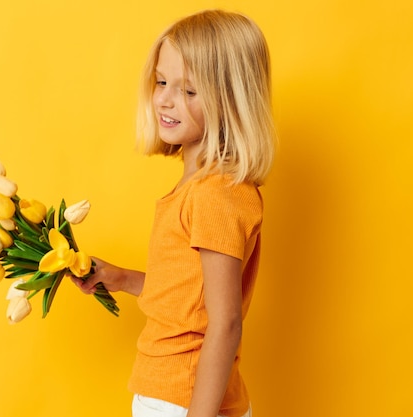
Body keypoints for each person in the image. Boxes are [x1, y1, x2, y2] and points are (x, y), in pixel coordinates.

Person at [71, 9, 276, 417]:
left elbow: (226, 324)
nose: (164, 98)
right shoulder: (202, 189)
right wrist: (121, 278)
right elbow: (189, 299)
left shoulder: (215, 195)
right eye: (162, 82)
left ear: (231, 99)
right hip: (175, 394)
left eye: (189, 90)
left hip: (182, 400)